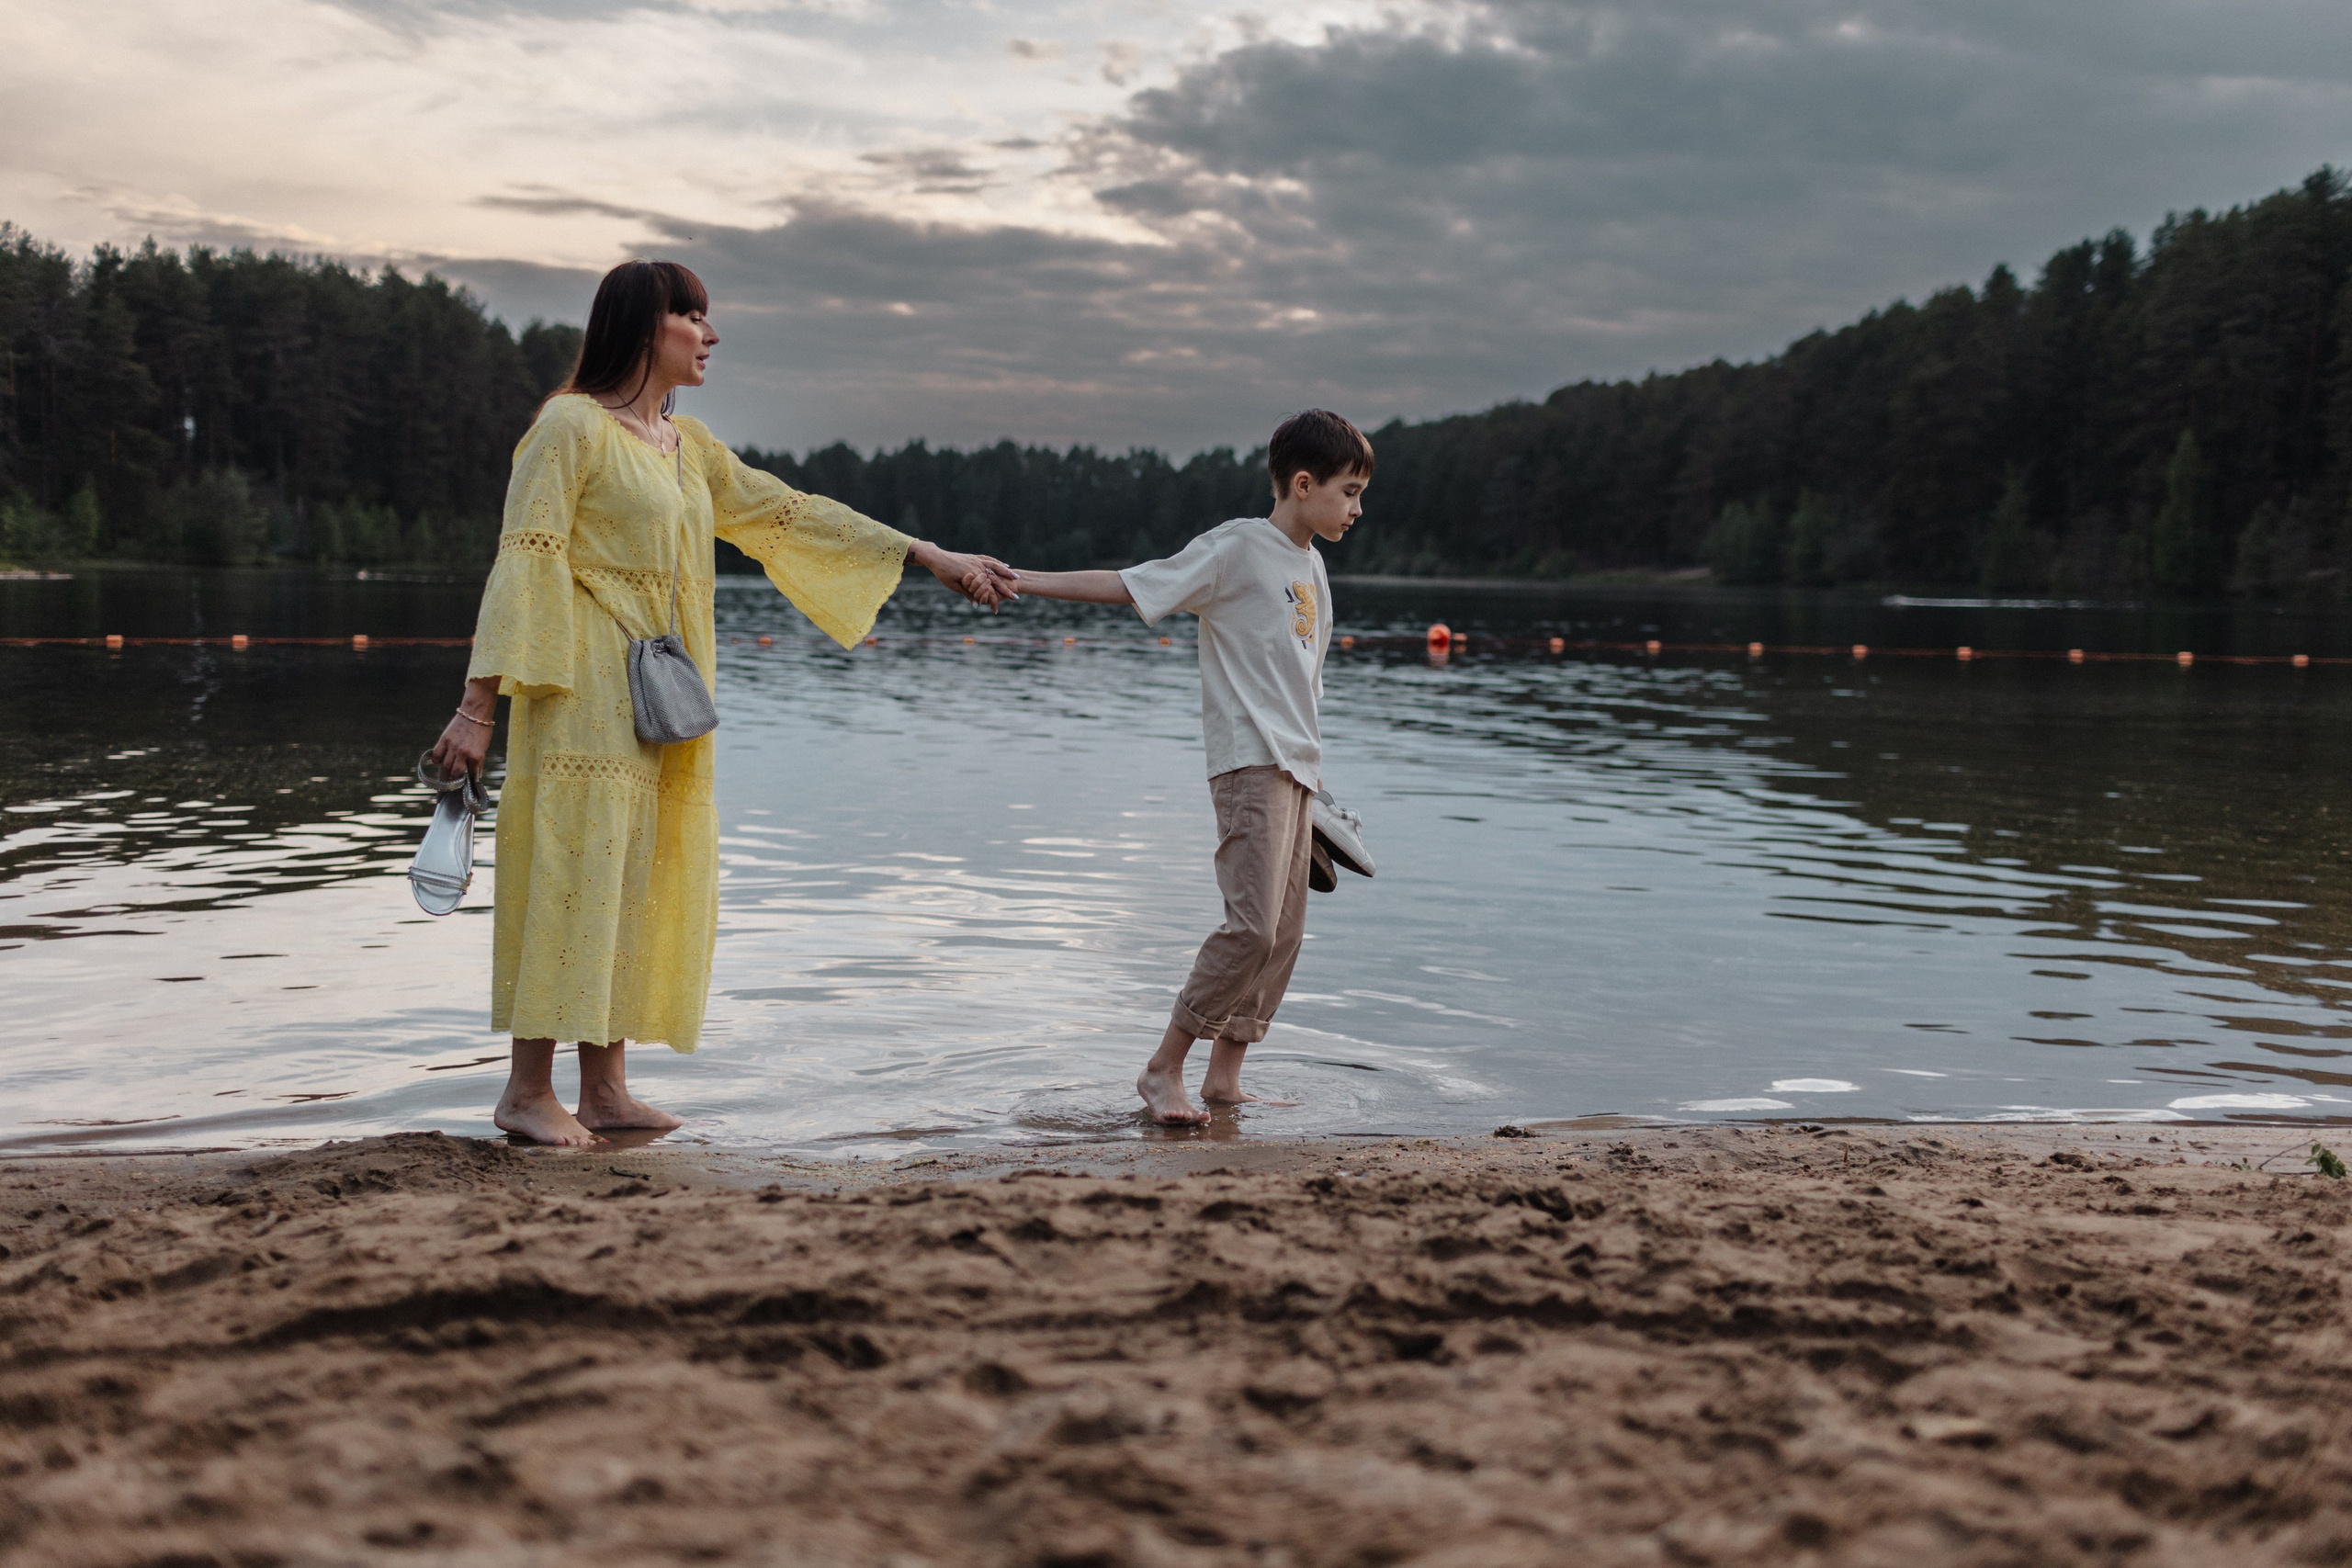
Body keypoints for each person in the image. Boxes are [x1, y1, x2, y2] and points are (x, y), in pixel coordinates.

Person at [426, 260, 1016, 1146]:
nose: (709, 333)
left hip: (662, 698)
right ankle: (524, 1090)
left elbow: (787, 514)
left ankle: (608, 1090)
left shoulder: (685, 445)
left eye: (706, 317)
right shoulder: (570, 428)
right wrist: (478, 708)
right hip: (580, 690)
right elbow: (526, 559)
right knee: (573, 871)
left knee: (635, 877)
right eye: (690, 316)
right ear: (641, 326)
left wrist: (926, 554)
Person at [1008, 410, 1372, 1124]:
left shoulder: (1314, 566)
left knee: (1287, 932)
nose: (1357, 508)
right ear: (1303, 484)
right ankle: (1161, 1068)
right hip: (1248, 766)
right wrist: (1022, 579)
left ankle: (1223, 1078)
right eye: (1349, 491)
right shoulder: (1237, 549)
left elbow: (1306, 679)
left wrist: (1318, 777)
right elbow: (1131, 584)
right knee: (1251, 929)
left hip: (1298, 772)